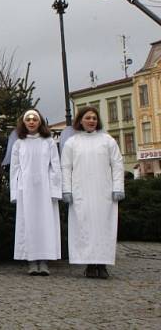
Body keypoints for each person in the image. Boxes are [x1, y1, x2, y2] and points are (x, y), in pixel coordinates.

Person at [62, 106, 125, 279]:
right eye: (88, 118)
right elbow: (66, 167)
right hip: (81, 192)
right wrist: (66, 189)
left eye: (94, 118)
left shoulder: (107, 140)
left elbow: (117, 164)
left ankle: (102, 264)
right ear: (80, 120)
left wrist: (118, 187)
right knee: (84, 227)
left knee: (104, 227)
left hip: (103, 192)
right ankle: (90, 264)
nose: (91, 121)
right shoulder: (72, 143)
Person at [10, 109, 61, 276]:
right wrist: (15, 192)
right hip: (26, 190)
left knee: (45, 224)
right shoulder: (19, 143)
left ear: (40, 122)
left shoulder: (48, 142)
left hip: (45, 189)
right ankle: (31, 260)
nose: (31, 122)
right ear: (24, 123)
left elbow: (55, 166)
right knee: (28, 223)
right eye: (28, 120)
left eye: (35, 119)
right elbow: (15, 169)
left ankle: (44, 260)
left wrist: (55, 189)